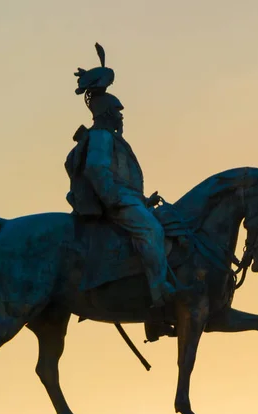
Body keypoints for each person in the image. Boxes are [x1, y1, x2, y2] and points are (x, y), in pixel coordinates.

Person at [65, 44, 177, 307]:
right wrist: (113, 198)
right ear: (107, 113)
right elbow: (96, 168)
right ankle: (159, 288)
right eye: (117, 112)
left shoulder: (113, 140)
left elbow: (121, 176)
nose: (120, 116)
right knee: (150, 229)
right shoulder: (102, 136)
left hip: (128, 200)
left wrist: (142, 200)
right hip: (116, 203)